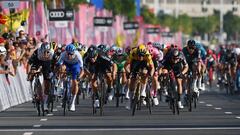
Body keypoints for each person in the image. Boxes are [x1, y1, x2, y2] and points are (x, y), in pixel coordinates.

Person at [57, 44, 83, 111]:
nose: (69, 55)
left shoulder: (78, 55)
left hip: (75, 66)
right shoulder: (63, 54)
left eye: (71, 54)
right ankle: (61, 85)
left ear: (74, 52)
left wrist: (79, 77)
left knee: (75, 83)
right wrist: (60, 71)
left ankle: (73, 103)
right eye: (68, 54)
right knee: (61, 68)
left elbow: (82, 68)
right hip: (67, 65)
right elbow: (59, 63)